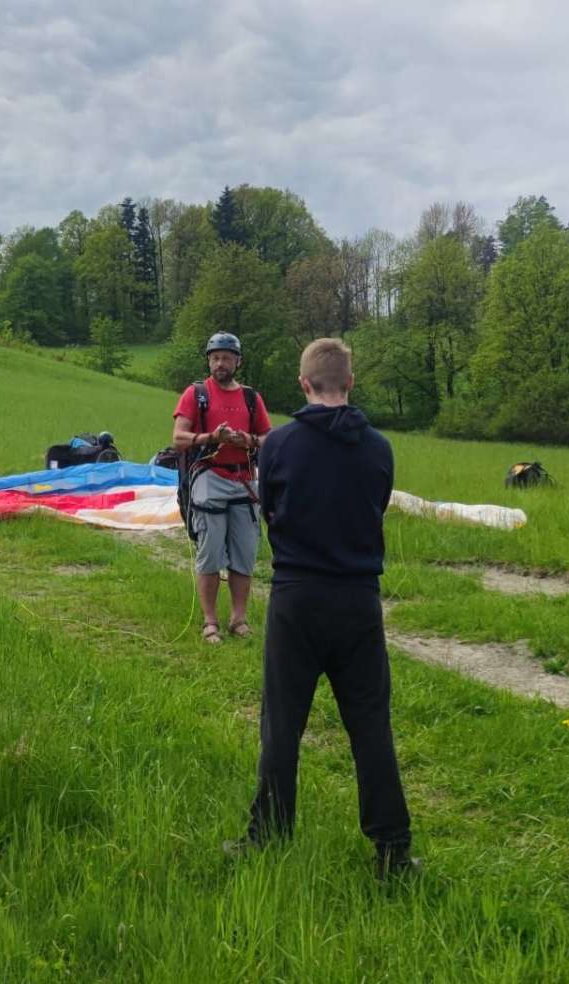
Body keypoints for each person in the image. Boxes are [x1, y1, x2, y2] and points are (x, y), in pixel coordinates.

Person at [228, 338, 415, 879]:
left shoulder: (279, 445)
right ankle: (392, 851)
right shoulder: (379, 448)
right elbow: (376, 507)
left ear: (303, 383)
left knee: (281, 725)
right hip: (358, 598)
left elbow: (271, 512)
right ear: (350, 382)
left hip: (297, 596)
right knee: (371, 726)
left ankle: (267, 835)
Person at [171, 332, 272, 644]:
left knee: (244, 554)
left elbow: (269, 438)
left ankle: (238, 619)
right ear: (208, 361)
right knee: (210, 554)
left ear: (237, 361)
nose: (220, 363)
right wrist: (212, 438)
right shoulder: (196, 394)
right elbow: (178, 438)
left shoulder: (251, 398)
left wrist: (249, 441)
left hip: (245, 480)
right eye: (215, 358)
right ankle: (210, 621)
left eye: (226, 358)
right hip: (209, 477)